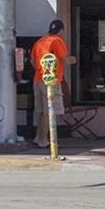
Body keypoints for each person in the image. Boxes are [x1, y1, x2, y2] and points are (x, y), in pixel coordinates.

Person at [30, 20, 73, 149]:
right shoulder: (57, 41)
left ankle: (38, 138)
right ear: (61, 30)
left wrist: (41, 70)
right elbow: (65, 59)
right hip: (51, 80)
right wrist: (74, 59)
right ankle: (44, 140)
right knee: (49, 111)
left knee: (41, 111)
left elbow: (32, 61)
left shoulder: (40, 41)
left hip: (38, 78)